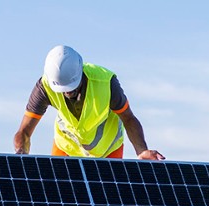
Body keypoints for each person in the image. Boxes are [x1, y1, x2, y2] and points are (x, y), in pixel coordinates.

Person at [12, 45, 164, 160]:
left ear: (80, 73)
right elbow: (24, 131)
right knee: (59, 196)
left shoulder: (106, 83)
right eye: (62, 90)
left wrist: (141, 150)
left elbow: (129, 119)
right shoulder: (45, 87)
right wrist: (21, 153)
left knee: (106, 199)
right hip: (66, 147)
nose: (67, 93)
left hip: (108, 149)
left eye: (71, 88)